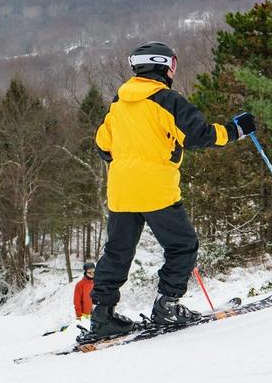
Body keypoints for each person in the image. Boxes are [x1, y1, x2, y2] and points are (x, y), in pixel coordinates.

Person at [88, 41, 255, 339]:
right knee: (182, 245)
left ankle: (102, 316)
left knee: (117, 251)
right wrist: (236, 130)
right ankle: (167, 305)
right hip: (156, 189)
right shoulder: (168, 100)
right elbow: (200, 136)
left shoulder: (118, 102)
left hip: (121, 190)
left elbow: (103, 145)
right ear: (165, 67)